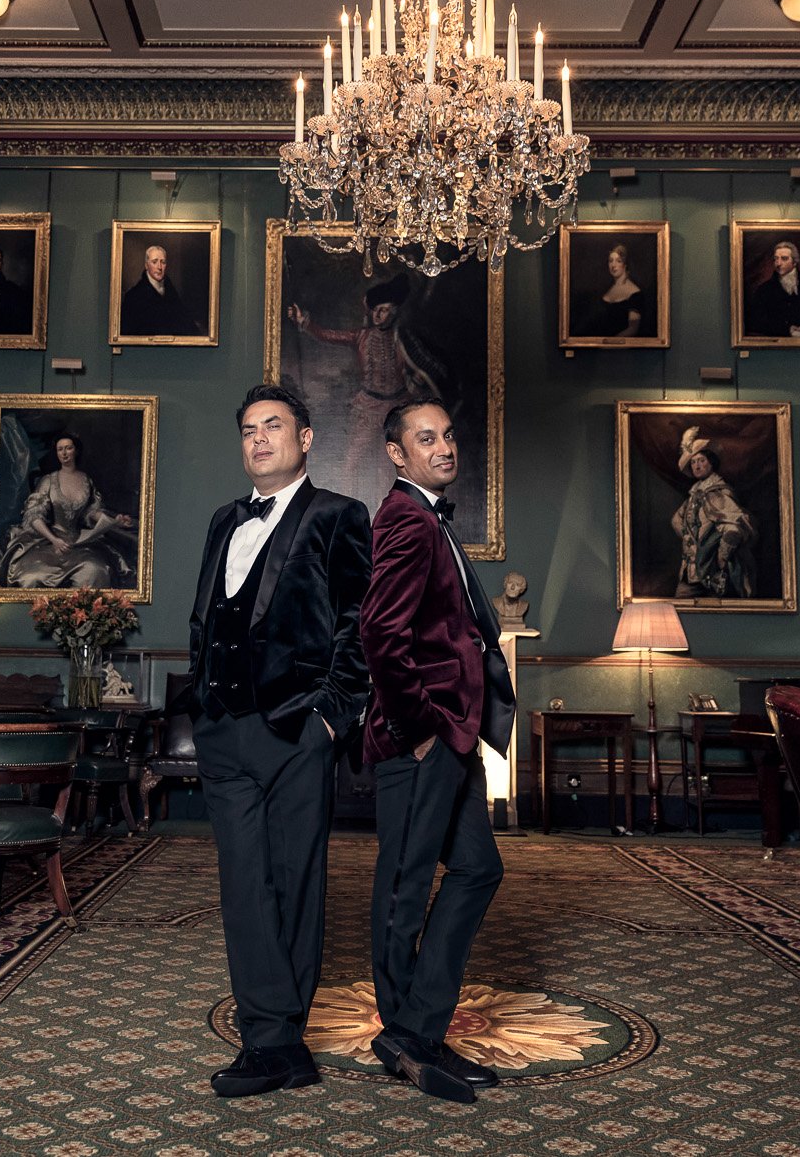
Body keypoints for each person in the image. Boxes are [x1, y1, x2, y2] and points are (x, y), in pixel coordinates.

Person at [184, 383, 370, 1098]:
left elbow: (361, 622)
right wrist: (201, 699)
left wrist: (332, 715)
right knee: (243, 886)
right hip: (224, 731)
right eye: (249, 429)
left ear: (306, 437)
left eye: (274, 426)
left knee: (294, 880)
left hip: (297, 729)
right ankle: (273, 1036)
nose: (259, 439)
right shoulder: (222, 519)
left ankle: (278, 1042)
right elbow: (206, 616)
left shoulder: (338, 516)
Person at [359, 399, 516, 1105]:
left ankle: (420, 1023)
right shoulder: (403, 518)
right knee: (403, 885)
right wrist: (420, 725)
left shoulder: (431, 518)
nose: (444, 446)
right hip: (421, 736)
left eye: (449, 433)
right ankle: (404, 1032)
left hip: (453, 733)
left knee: (478, 868)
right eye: (427, 438)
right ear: (397, 453)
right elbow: (379, 633)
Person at [287, 273, 451, 493]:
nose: (377, 315)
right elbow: (329, 335)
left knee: (391, 466)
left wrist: (418, 377)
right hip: (368, 406)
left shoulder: (403, 337)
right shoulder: (361, 336)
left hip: (397, 409)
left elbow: (424, 364)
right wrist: (304, 322)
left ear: (393, 311)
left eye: (382, 310)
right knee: (352, 461)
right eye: (374, 310)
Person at [0, 434, 135, 589]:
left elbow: (91, 512)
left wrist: (114, 520)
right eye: (60, 449)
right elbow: (34, 515)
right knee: (32, 575)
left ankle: (83, 610)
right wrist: (54, 540)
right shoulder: (49, 480)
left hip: (78, 543)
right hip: (48, 541)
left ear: (75, 451)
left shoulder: (85, 480)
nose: (64, 453)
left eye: (68, 448)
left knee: (96, 570)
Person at [670, 428, 755, 599]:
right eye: (693, 462)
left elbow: (734, 528)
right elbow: (676, 521)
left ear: (711, 463)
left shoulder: (717, 493)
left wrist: (720, 557)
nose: (697, 465)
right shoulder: (694, 495)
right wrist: (691, 541)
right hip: (690, 572)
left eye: (701, 460)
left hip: (713, 574)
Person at [743, 240, 800, 340]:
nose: (778, 263)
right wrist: (787, 329)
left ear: (794, 262)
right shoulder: (764, 291)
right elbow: (755, 321)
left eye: (784, 259)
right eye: (776, 259)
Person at [119, 243, 200, 336]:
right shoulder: (133, 296)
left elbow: (187, 325)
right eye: (154, 262)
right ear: (146, 265)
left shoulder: (172, 292)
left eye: (163, 262)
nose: (159, 267)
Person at [571, 242, 646, 338]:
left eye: (618, 261)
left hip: (619, 349)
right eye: (611, 261)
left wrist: (609, 344)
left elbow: (632, 329)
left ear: (625, 264)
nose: (613, 265)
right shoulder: (605, 288)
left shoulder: (635, 294)